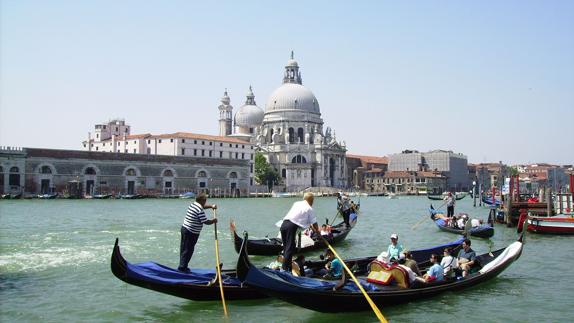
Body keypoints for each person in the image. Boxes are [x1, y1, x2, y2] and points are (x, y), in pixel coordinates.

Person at [280, 192, 319, 273]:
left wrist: (310, 224)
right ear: (311, 200)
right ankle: (283, 271)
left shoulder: (296, 203)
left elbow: (299, 216)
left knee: (287, 248)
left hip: (283, 225)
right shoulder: (309, 208)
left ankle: (288, 269)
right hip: (291, 227)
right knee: (289, 249)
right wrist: (318, 232)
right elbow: (314, 223)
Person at [178, 193, 217, 272]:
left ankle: (183, 266)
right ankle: (182, 268)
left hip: (185, 229)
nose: (205, 202)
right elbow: (205, 221)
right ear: (202, 201)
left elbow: (202, 207)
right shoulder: (199, 209)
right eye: (205, 200)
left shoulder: (194, 204)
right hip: (190, 232)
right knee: (188, 250)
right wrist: (214, 221)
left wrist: (211, 206)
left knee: (184, 249)